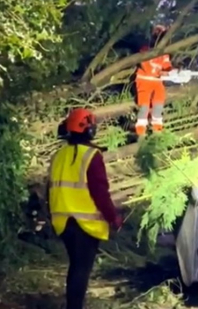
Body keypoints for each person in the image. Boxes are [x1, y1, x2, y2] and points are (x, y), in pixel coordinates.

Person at [48, 108, 122, 309]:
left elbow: (50, 189)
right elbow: (100, 192)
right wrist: (113, 217)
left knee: (75, 267)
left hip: (62, 221)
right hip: (85, 224)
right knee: (81, 269)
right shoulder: (92, 155)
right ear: (89, 130)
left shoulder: (58, 156)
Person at [134, 25, 173, 136]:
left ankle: (157, 130)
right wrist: (158, 72)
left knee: (158, 104)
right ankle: (141, 132)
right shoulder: (145, 50)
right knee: (144, 106)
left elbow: (167, 65)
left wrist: (170, 71)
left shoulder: (164, 53)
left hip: (157, 81)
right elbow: (145, 64)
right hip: (144, 80)